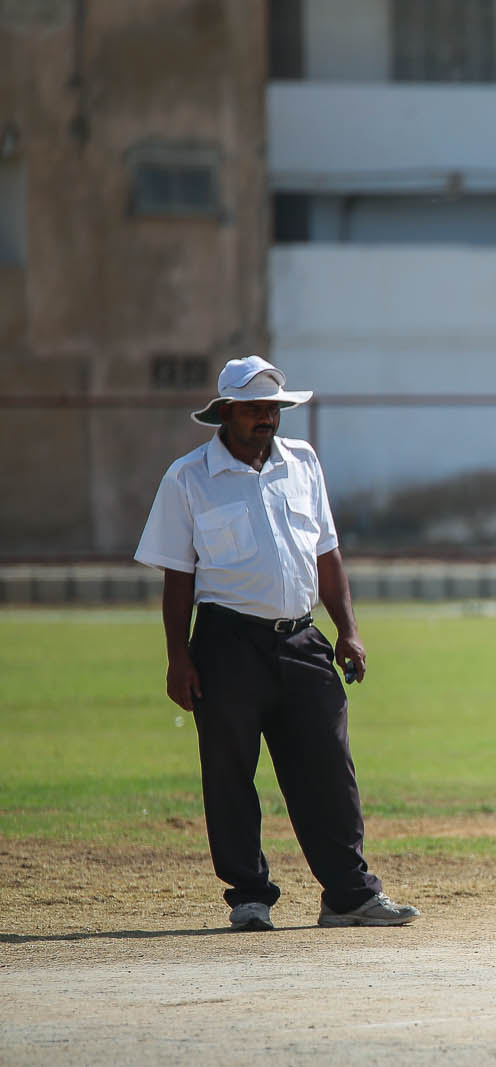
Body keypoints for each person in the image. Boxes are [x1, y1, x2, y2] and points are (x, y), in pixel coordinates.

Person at [134, 356, 418, 932]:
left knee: (329, 769)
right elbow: (178, 578)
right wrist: (178, 657)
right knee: (230, 773)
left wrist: (348, 630)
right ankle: (249, 896)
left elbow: (326, 554)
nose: (266, 418)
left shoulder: (303, 462)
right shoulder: (188, 478)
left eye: (273, 408)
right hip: (227, 644)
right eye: (253, 409)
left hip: (302, 639)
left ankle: (348, 894)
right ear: (225, 412)